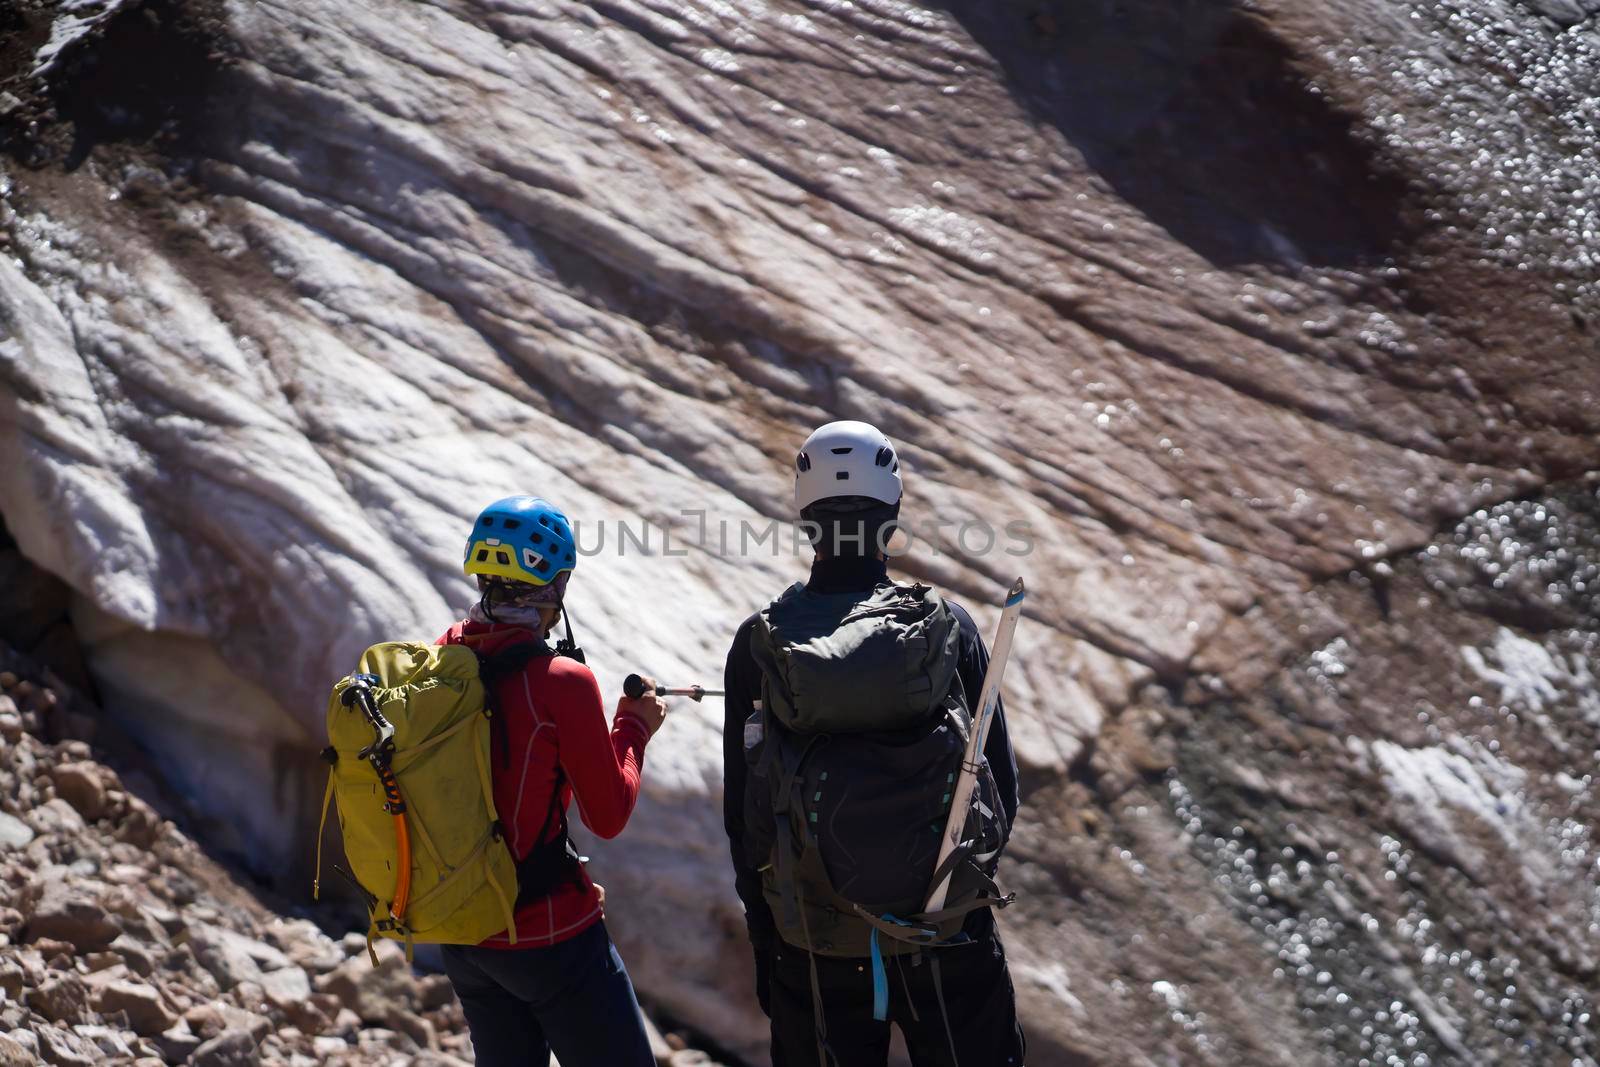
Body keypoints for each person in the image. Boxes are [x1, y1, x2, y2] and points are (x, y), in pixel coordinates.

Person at [722, 421, 1027, 1067]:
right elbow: (1000, 785)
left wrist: (769, 942)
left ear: (806, 516)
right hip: (945, 929)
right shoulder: (947, 629)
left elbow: (743, 822)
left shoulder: (762, 644)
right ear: (892, 510)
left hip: (815, 944)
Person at [436, 495, 666, 1067]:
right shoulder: (562, 680)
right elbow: (607, 816)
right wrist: (632, 729)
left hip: (465, 932)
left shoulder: (446, 655)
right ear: (555, 586)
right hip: (548, 937)